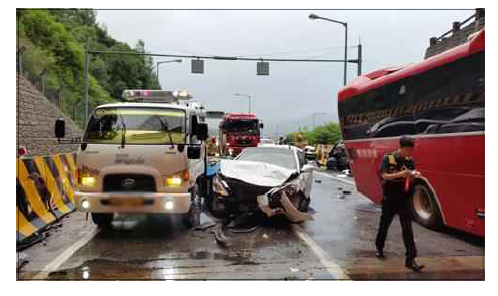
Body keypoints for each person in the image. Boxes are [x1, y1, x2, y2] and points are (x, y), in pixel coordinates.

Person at [375, 135, 425, 272]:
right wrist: (401, 174)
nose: (410, 153)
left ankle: (411, 259)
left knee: (407, 228)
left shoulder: (410, 160)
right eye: (409, 150)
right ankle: (379, 248)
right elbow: (385, 176)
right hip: (390, 198)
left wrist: (415, 174)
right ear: (402, 147)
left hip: (404, 198)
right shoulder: (389, 158)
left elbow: (411, 172)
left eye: (412, 150)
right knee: (384, 225)